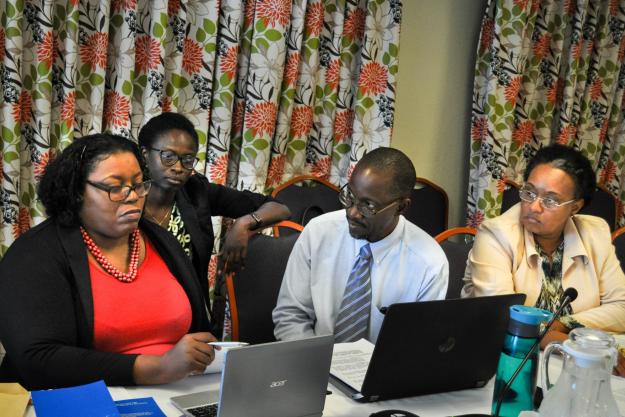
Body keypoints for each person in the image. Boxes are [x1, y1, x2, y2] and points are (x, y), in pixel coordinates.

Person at [0, 134, 218, 390]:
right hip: (83, 397)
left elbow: (199, 331)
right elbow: (40, 359)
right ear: (76, 191)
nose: (132, 197)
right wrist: (155, 368)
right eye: (115, 187)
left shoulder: (161, 241)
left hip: (177, 391)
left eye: (139, 185)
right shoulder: (35, 254)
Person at [272, 147, 449, 343]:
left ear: (401, 207)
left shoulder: (429, 263)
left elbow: (416, 345)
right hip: (312, 362)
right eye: (350, 197)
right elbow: (291, 316)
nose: (352, 213)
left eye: (368, 206)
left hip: (382, 371)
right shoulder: (318, 233)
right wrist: (315, 366)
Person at [462, 144, 625, 349]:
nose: (533, 207)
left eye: (550, 200)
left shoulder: (594, 233)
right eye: (529, 192)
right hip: (505, 356)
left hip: (569, 360)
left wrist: (562, 323)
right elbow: (505, 321)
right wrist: (582, 347)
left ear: (575, 207)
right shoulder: (495, 234)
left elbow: (621, 308)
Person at [137, 112, 290, 306]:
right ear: (145, 155)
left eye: (188, 159)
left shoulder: (196, 192)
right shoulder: (126, 199)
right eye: (168, 157)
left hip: (190, 311)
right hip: (139, 308)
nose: (178, 167)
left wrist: (243, 224)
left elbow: (280, 207)